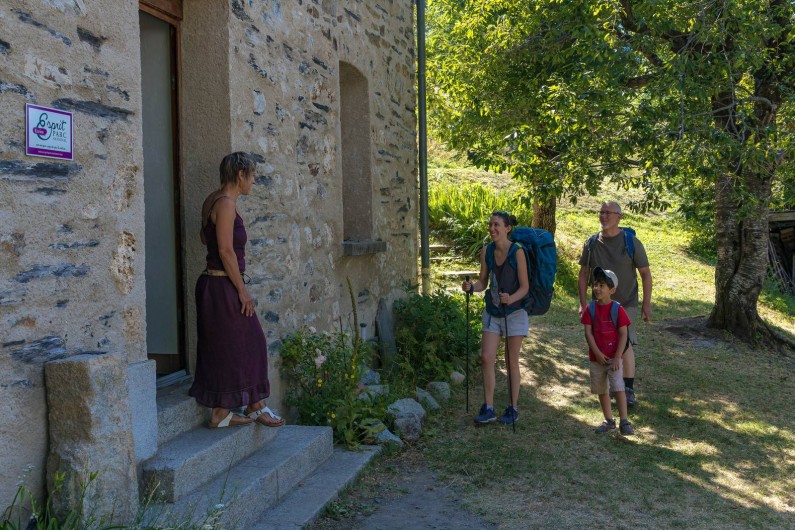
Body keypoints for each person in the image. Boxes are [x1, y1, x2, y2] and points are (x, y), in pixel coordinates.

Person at [188, 152, 285, 428]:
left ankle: (222, 412)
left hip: (214, 284)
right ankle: (255, 406)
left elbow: (203, 236)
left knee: (225, 347)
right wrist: (242, 291)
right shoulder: (227, 204)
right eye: (252, 175)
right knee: (253, 342)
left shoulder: (213, 200)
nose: (253, 181)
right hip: (223, 286)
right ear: (240, 175)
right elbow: (225, 250)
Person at [578, 201, 652, 406]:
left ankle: (627, 389)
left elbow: (645, 273)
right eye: (601, 212)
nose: (603, 216)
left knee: (625, 342)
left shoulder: (631, 242)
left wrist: (646, 304)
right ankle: (610, 386)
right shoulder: (591, 243)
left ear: (619, 217)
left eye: (608, 213)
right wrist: (583, 303)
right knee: (602, 342)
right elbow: (583, 274)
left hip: (626, 302)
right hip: (599, 304)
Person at [461, 211, 529, 425]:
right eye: (490, 224)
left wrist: (511, 297)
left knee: (511, 360)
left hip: (515, 312)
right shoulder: (486, 252)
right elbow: (483, 281)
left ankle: (512, 407)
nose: (492, 228)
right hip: (493, 310)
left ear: (507, 228)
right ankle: (488, 407)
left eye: (497, 225)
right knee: (486, 357)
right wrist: (472, 287)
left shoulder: (518, 252)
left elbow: (525, 287)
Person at [581, 267, 634, 435]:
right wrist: (596, 353)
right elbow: (588, 332)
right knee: (601, 390)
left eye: (601, 285)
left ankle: (624, 421)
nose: (597, 288)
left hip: (614, 359)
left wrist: (618, 357)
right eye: (595, 284)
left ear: (612, 290)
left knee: (618, 388)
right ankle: (609, 420)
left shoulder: (617, 309)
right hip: (596, 359)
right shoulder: (590, 309)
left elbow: (624, 334)